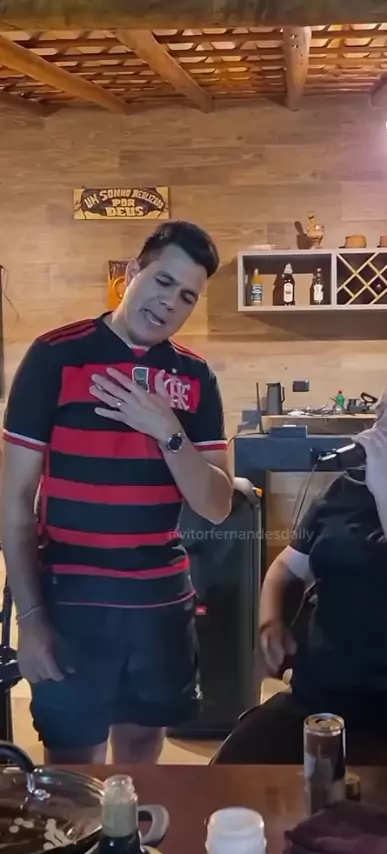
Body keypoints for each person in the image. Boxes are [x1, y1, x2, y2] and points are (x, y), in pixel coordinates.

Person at [0, 220, 233, 764]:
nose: (169, 302)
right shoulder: (56, 355)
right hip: (72, 599)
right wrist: (30, 620)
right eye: (163, 281)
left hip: (161, 602)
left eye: (187, 296)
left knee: (142, 757)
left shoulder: (195, 377)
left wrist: (168, 430)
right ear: (132, 272)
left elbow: (217, 505)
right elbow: (13, 501)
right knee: (72, 765)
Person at [214, 361, 387, 764]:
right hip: (319, 704)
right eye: (381, 412)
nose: (380, 428)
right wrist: (272, 622)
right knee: (227, 781)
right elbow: (289, 566)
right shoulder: (347, 487)